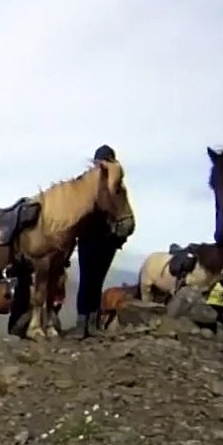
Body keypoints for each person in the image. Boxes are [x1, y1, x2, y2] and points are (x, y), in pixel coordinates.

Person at [72, 145, 130, 338]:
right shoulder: (106, 187)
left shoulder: (109, 186)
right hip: (99, 239)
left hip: (98, 239)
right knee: (91, 281)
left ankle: (87, 324)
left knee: (92, 281)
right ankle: (87, 324)